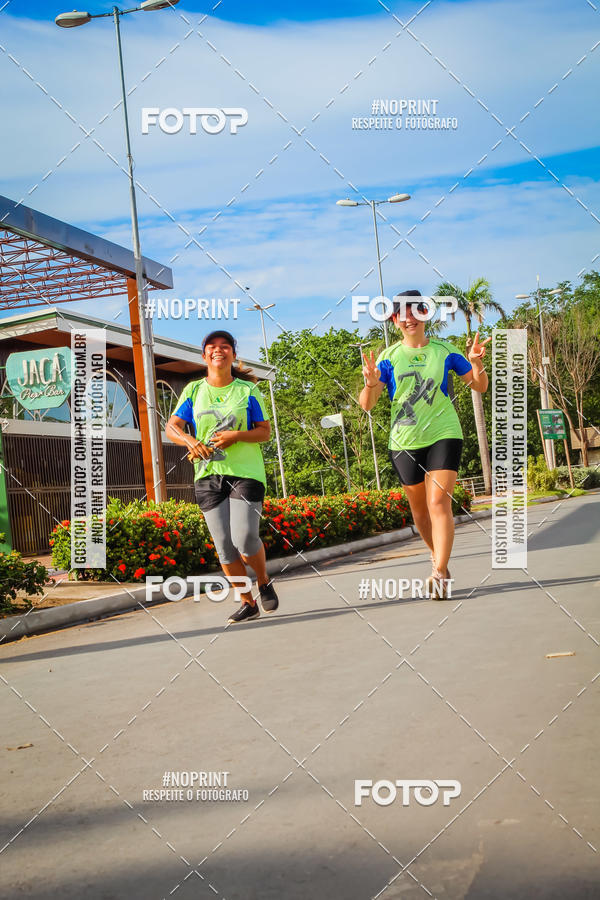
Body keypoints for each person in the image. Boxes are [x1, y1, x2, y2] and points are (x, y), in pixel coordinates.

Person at [359, 290, 490, 597]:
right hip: (404, 441)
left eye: (416, 311)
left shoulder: (446, 351)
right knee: (419, 511)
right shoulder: (388, 357)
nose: (409, 318)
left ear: (425, 314)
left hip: (444, 434)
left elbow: (479, 386)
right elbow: (368, 404)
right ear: (394, 321)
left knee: (437, 503)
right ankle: (437, 555)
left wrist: (476, 363)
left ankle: (440, 572)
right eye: (401, 314)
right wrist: (369, 383)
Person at [166, 330, 279, 623]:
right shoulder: (193, 391)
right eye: (212, 347)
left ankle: (264, 580)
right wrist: (191, 441)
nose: (219, 350)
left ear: (233, 354)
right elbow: (172, 427)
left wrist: (236, 436)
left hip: (246, 473)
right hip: (207, 475)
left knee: (244, 537)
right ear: (204, 356)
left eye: (225, 346)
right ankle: (248, 603)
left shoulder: (247, 391)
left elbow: (264, 432)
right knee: (225, 547)